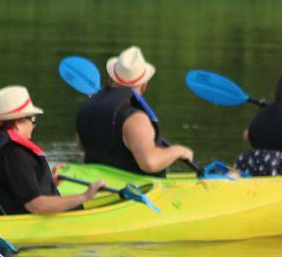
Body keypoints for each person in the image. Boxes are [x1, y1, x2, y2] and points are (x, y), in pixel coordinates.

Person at [0, 85, 105, 216]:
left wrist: (44, 181)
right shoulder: (14, 153)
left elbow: (9, 185)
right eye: (32, 119)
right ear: (18, 122)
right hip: (24, 224)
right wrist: (86, 195)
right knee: (79, 206)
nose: (33, 125)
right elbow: (36, 205)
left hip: (1, 219)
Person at [75, 46, 194, 176]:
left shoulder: (87, 109)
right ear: (144, 86)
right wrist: (178, 151)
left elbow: (81, 145)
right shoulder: (135, 119)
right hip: (133, 191)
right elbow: (149, 163)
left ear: (110, 79)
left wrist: (163, 155)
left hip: (94, 185)